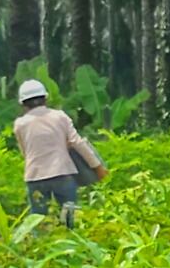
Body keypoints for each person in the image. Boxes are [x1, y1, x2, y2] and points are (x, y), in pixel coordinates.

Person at [13, 78, 106, 227]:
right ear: (45, 98)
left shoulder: (20, 124)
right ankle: (71, 247)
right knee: (70, 220)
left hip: (35, 177)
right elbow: (78, 143)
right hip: (62, 173)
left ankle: (39, 247)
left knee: (39, 221)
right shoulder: (59, 116)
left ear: (23, 104)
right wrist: (97, 166)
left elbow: (25, 153)